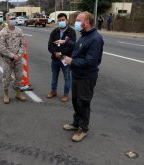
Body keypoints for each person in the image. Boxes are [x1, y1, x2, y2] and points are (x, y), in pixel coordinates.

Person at [63, 11, 104, 142]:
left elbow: (91, 62)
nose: (76, 22)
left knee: (83, 103)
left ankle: (83, 128)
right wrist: (67, 43)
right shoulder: (85, 35)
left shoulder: (96, 39)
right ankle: (76, 123)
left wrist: (72, 61)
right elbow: (79, 48)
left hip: (86, 77)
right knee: (75, 101)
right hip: (77, 74)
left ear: (86, 22)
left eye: (78, 19)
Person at [47, 13, 76, 102]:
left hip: (65, 59)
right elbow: (50, 45)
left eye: (63, 20)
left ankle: (66, 94)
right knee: (54, 76)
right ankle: (53, 91)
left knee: (67, 77)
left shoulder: (71, 32)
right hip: (55, 58)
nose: (61, 22)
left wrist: (61, 53)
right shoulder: (54, 31)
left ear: (66, 20)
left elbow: (72, 46)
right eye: (59, 20)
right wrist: (55, 52)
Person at [0, 13, 27, 104]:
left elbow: (23, 44)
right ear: (6, 20)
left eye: (14, 18)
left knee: (19, 77)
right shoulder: (3, 32)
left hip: (18, 59)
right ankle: (6, 94)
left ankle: (18, 93)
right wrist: (12, 55)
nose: (13, 20)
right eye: (11, 19)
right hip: (7, 60)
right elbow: (2, 47)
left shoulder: (19, 31)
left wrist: (18, 55)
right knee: (6, 78)